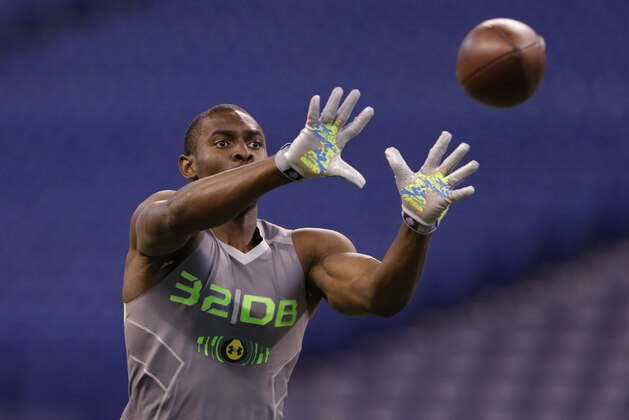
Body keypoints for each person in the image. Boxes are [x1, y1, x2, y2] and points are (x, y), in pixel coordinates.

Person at [121, 87, 479, 419]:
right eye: (222, 142)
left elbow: (380, 298)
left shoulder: (309, 252)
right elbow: (178, 214)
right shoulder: (164, 225)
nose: (243, 151)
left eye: (255, 143)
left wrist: (416, 226)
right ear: (189, 166)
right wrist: (282, 166)